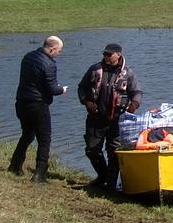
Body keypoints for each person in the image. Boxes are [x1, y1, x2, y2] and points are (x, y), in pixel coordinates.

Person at [77, 43, 141, 189]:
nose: (105, 56)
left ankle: (111, 185)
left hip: (117, 120)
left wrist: (134, 105)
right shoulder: (94, 69)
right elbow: (82, 87)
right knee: (92, 150)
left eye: (109, 54)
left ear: (118, 54)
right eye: (104, 54)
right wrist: (86, 101)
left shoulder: (128, 73)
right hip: (95, 118)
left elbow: (136, 93)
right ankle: (102, 176)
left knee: (114, 153)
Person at [8, 35, 69, 182]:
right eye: (58, 51)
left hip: (22, 102)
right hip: (38, 104)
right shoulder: (49, 64)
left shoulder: (28, 57)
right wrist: (62, 89)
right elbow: (52, 89)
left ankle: (15, 165)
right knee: (44, 139)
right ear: (52, 48)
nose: (58, 54)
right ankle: (40, 174)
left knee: (27, 134)